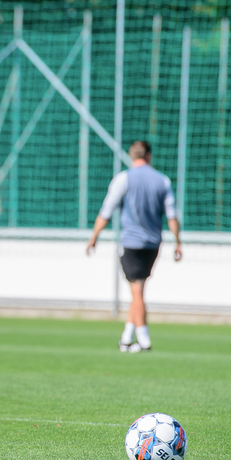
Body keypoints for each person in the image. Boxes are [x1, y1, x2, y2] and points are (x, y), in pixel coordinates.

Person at [86, 141, 181, 353]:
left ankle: (144, 339)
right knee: (138, 288)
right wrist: (178, 242)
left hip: (131, 243)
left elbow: (106, 210)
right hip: (153, 244)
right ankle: (126, 338)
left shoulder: (123, 178)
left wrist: (94, 236)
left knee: (136, 292)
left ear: (132, 156)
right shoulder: (162, 180)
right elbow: (172, 215)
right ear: (149, 156)